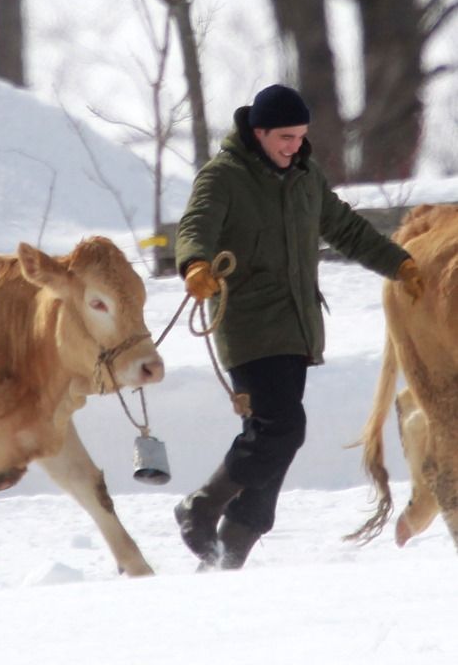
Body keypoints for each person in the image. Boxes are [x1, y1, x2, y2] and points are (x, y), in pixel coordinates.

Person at [173, 83, 423, 570]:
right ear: (259, 132)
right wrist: (194, 265)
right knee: (281, 430)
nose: (294, 146)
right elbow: (195, 225)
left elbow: (346, 230)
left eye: (300, 137)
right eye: (285, 138)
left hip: (296, 326)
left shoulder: (306, 177)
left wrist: (400, 265)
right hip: (247, 324)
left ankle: (228, 554)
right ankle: (201, 506)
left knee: (275, 442)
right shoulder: (223, 176)